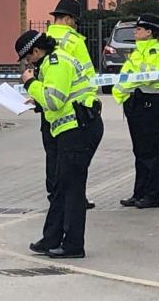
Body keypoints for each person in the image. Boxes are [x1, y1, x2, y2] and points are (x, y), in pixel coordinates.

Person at [18, 29, 103, 259]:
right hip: (72, 129)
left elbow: (54, 101)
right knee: (60, 186)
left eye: (28, 58)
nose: (28, 64)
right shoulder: (52, 63)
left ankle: (74, 244)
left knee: (72, 189)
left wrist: (30, 84)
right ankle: (52, 238)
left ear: (36, 51)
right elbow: (59, 97)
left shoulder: (55, 64)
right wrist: (37, 101)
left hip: (78, 130)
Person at [112, 14, 159, 209]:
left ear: (149, 32)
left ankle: (152, 196)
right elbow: (126, 76)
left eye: (139, 29)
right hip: (136, 102)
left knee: (150, 151)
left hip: (149, 102)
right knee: (139, 151)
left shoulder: (154, 52)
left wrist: (129, 85)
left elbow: (148, 77)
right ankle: (139, 193)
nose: (135, 32)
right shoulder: (137, 51)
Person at [45, 0, 97, 210]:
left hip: (48, 103)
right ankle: (75, 197)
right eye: (75, 21)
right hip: (73, 110)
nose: (76, 25)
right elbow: (88, 75)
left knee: (52, 153)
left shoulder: (43, 38)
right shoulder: (74, 41)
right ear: (67, 19)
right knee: (74, 158)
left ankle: (54, 195)